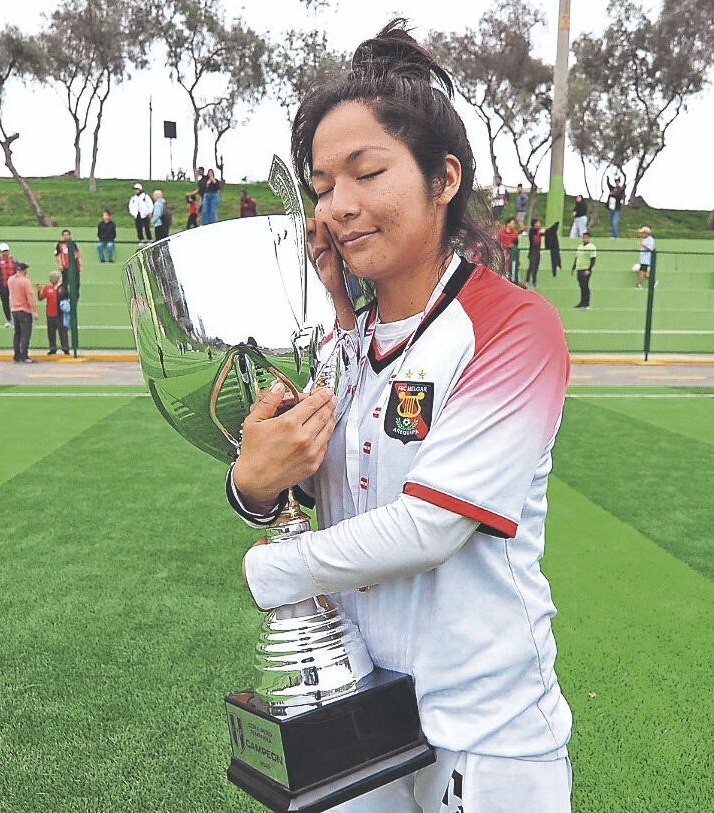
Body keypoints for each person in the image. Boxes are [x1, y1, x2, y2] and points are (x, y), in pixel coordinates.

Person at [231, 22, 573, 812]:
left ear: (442, 177)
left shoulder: (512, 327)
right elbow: (302, 493)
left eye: (366, 172)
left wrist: (267, 570)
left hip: (486, 728)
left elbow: (429, 527)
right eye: (321, 186)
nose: (339, 206)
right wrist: (249, 486)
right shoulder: (338, 344)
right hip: (357, 708)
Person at [0, 242, 28, 326]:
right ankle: (9, 320)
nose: (5, 253)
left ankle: (17, 319)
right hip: (3, 286)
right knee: (5, 303)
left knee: (16, 302)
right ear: (0, 252)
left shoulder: (14, 260)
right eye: (3, 251)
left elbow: (20, 271)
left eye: (6, 251)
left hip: (14, 286)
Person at [7, 263, 37, 363]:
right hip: (24, 310)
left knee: (17, 333)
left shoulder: (10, 280)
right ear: (24, 271)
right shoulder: (25, 282)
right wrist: (34, 311)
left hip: (14, 309)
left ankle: (16, 355)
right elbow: (30, 297)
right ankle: (24, 355)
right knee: (25, 334)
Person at [39, 270, 70, 355]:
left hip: (60, 314)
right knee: (51, 333)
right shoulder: (47, 287)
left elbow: (67, 296)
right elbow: (41, 297)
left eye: (54, 277)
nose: (52, 279)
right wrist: (39, 290)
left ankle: (65, 348)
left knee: (62, 332)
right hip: (50, 314)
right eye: (51, 277)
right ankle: (52, 348)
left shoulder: (62, 287)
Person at [573, 229, 597, 308]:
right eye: (583, 238)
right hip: (579, 268)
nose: (584, 239)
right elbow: (577, 257)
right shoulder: (580, 246)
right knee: (581, 286)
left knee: (585, 286)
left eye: (586, 238)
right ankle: (582, 302)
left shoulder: (591, 247)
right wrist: (573, 267)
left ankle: (587, 302)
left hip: (585, 269)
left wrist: (589, 269)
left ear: (589, 238)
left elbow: (593, 259)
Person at [526, 218, 543, 287]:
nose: (539, 224)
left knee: (536, 267)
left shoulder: (539, 231)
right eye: (538, 223)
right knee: (531, 267)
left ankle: (534, 282)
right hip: (532, 251)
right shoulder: (532, 230)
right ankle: (527, 281)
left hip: (537, 252)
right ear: (535, 224)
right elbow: (536, 231)